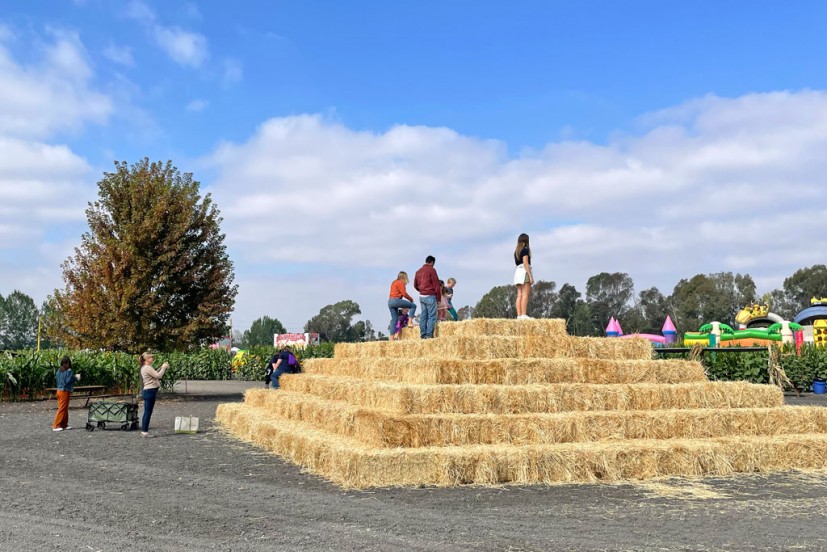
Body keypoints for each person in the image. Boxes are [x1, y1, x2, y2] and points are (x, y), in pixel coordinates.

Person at [139, 351, 169, 438]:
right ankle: (144, 432)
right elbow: (158, 376)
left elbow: (154, 374)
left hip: (148, 391)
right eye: (151, 357)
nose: (153, 359)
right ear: (147, 359)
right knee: (148, 412)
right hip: (150, 391)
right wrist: (163, 368)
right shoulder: (147, 368)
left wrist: (160, 368)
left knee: (147, 412)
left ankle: (144, 431)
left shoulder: (145, 367)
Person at [414, 255, 441, 339]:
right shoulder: (432, 270)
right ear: (432, 262)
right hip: (430, 295)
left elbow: (415, 285)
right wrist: (438, 298)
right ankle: (429, 335)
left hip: (421, 296)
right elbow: (436, 285)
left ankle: (423, 335)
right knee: (432, 316)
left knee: (423, 316)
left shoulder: (418, 271)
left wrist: (421, 291)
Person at [52, 356, 80, 432]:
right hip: (65, 391)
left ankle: (64, 424)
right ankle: (56, 425)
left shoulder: (58, 371)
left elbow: (60, 380)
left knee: (64, 408)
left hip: (59, 390)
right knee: (62, 408)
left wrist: (73, 378)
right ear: (68, 363)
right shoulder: (69, 371)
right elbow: (68, 381)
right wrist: (76, 378)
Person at [388, 271, 417, 338]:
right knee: (413, 306)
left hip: (390, 302)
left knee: (394, 320)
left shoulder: (394, 282)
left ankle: (391, 338)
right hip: (395, 300)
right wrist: (411, 299)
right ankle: (410, 322)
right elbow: (404, 293)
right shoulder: (400, 282)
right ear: (404, 277)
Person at [514, 233, 534, 319]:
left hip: (517, 272)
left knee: (519, 295)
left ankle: (519, 315)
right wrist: (530, 276)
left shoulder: (516, 252)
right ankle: (523, 314)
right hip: (524, 272)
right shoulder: (525, 250)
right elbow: (525, 263)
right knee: (525, 294)